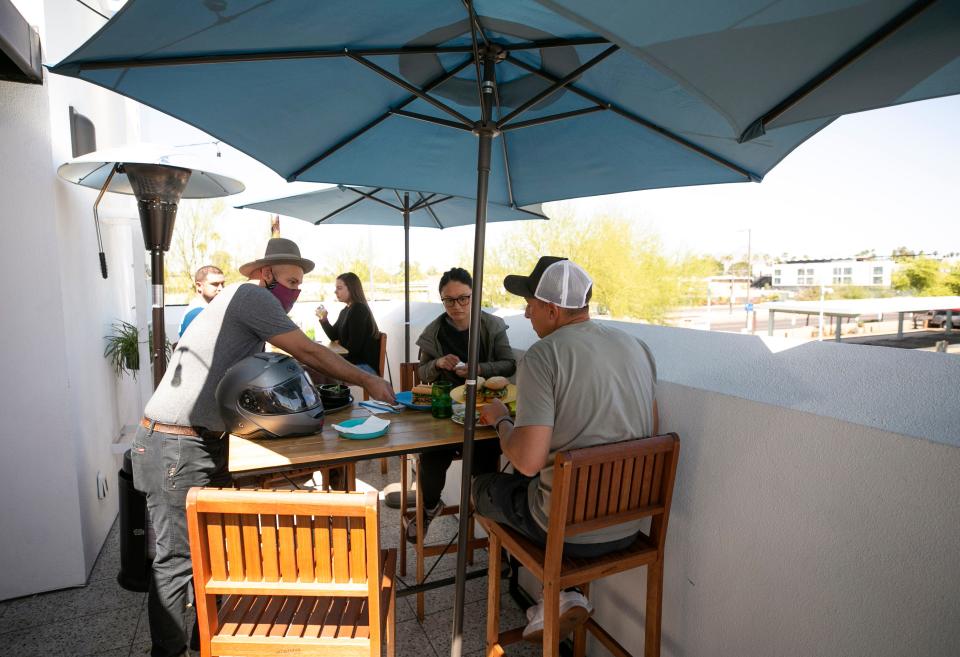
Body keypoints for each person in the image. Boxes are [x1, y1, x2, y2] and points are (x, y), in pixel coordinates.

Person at [132, 238, 394, 657]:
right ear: (266, 274)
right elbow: (306, 349)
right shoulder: (249, 294)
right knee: (177, 561)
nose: (295, 292)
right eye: (291, 281)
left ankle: (206, 643)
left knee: (210, 551)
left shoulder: (243, 306)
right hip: (174, 446)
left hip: (201, 441)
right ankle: (168, 652)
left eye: (300, 285)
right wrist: (368, 379)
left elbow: (288, 363)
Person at [474, 256, 659, 642]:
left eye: (531, 303)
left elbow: (526, 462)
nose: (526, 312)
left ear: (553, 310)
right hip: (630, 523)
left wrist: (502, 421)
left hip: (568, 532)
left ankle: (550, 590)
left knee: (484, 488)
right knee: (539, 486)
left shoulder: (544, 355)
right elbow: (649, 433)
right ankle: (559, 593)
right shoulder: (638, 346)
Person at [400, 267, 515, 539]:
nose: (457, 305)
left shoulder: (492, 326)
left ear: (474, 297)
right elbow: (422, 371)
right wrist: (438, 363)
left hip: (484, 412)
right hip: (444, 413)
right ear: (442, 300)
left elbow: (508, 364)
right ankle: (429, 508)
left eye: (463, 298)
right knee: (432, 457)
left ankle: (488, 525)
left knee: (486, 459)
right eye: (449, 300)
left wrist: (478, 369)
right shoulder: (435, 331)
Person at [315, 272, 381, 374]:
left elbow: (353, 350)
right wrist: (324, 319)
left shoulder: (358, 309)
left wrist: (331, 358)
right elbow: (334, 336)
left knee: (318, 370)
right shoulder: (346, 310)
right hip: (353, 363)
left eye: (339, 288)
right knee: (317, 367)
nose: (335, 291)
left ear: (351, 288)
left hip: (364, 366)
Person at [178, 265, 225, 337]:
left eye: (222, 284)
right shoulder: (197, 313)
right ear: (199, 286)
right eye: (215, 284)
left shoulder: (203, 308)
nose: (221, 288)